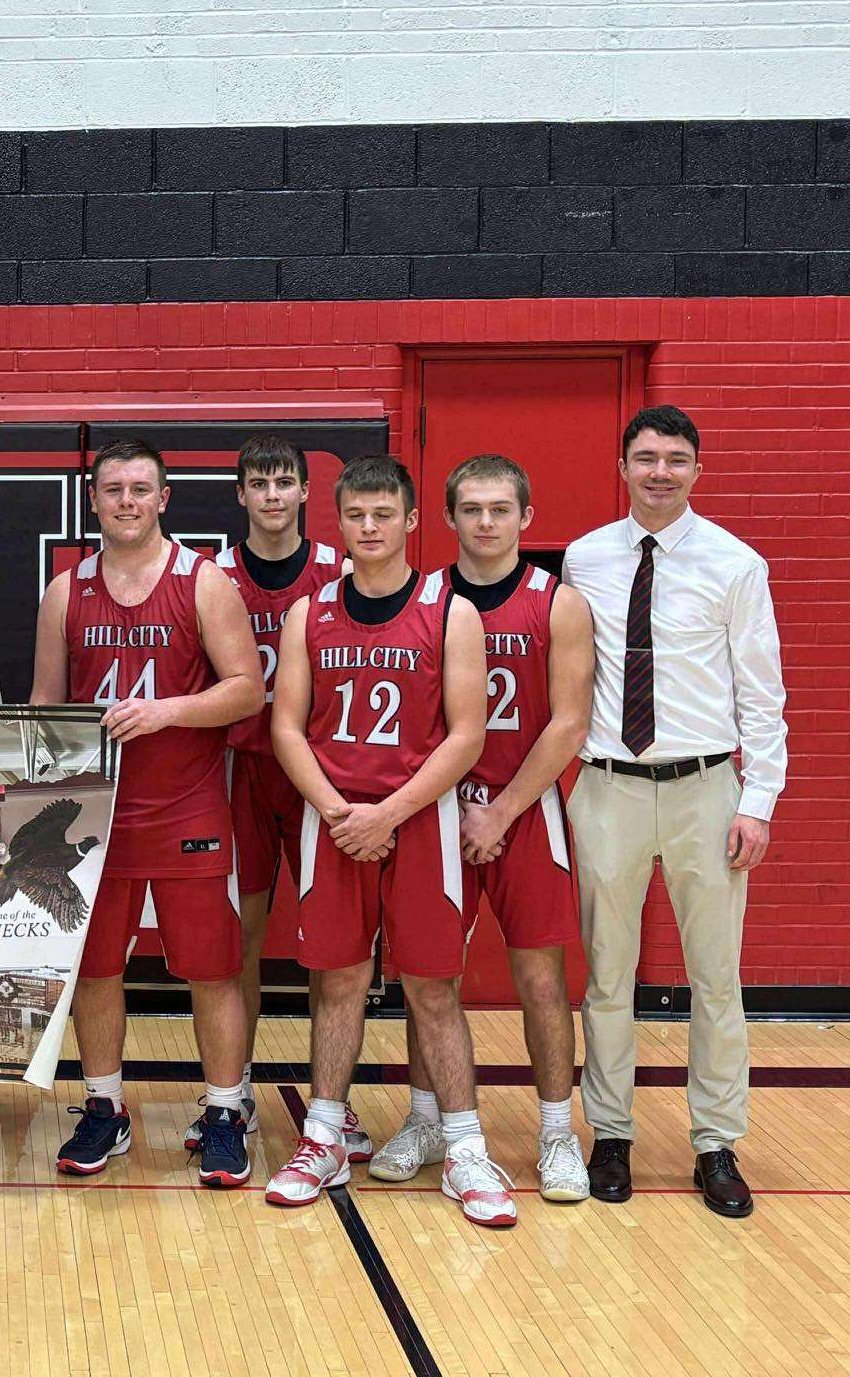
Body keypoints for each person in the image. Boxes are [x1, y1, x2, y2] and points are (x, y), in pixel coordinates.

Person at [264, 455, 515, 1229]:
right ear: (337, 525)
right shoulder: (309, 614)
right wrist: (342, 810)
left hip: (422, 824)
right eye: (355, 517)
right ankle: (323, 1138)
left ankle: (466, 1148)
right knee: (337, 983)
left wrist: (389, 813)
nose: (368, 529)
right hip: (334, 821)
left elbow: (468, 735)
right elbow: (285, 725)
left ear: (411, 522)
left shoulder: (452, 613)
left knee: (433, 988)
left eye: (383, 515)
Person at [564, 406, 787, 1220]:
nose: (661, 472)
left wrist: (756, 802)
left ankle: (715, 1142)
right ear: (621, 465)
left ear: (699, 470)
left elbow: (764, 697)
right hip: (607, 786)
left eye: (677, 459)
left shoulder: (736, 563)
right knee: (606, 975)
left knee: (715, 980)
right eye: (647, 458)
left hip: (705, 788)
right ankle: (612, 1134)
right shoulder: (585, 558)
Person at [28, 438, 264, 1188]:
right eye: (112, 490)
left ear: (164, 499)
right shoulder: (67, 590)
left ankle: (225, 1112)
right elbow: (45, 704)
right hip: (94, 822)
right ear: (92, 501)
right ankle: (105, 1108)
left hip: (188, 808)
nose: (126, 501)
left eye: (139, 489)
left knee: (212, 969)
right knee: (97, 970)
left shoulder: (203, 580)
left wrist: (166, 713)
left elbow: (247, 689)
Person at [368, 455, 595, 1205]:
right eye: (471, 509)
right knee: (431, 978)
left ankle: (558, 1132)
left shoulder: (555, 602)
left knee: (540, 979)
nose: (486, 522)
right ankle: (429, 1119)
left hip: (523, 811)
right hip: (436, 809)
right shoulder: (424, 600)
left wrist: (501, 810)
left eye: (501, 509)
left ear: (526, 518)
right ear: (447, 519)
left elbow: (569, 723)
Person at [198, 434, 365, 1161]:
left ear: (305, 493)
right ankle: (233, 1101)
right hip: (239, 772)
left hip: (319, 776)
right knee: (244, 943)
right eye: (258, 484)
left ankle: (336, 1106)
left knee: (334, 948)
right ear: (240, 495)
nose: (271, 495)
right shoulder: (213, 576)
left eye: (283, 483)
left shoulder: (342, 571)